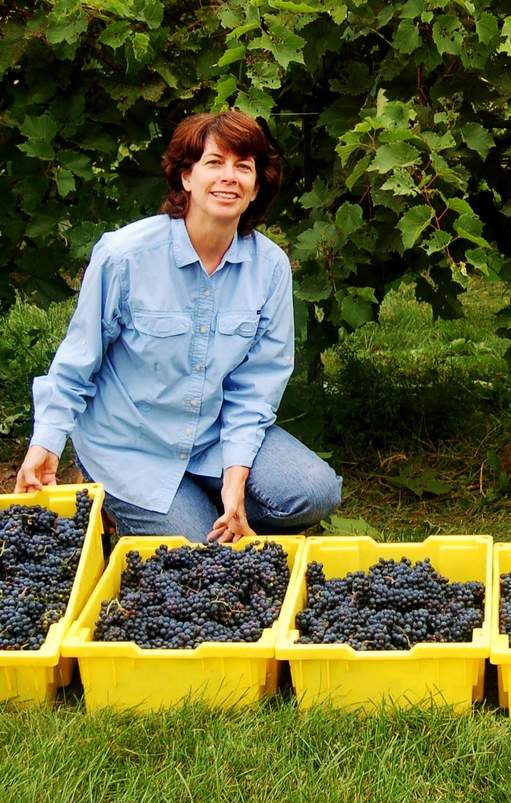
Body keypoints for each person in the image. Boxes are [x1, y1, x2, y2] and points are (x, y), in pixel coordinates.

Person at [15, 110, 342, 543]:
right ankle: (126, 508)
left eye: (243, 167)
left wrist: (235, 479)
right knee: (194, 551)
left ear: (256, 187)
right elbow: (78, 363)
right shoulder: (125, 255)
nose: (229, 177)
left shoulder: (270, 268)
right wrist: (46, 443)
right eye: (214, 163)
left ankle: (206, 509)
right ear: (186, 177)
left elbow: (257, 387)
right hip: (130, 448)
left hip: (211, 435)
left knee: (314, 492)